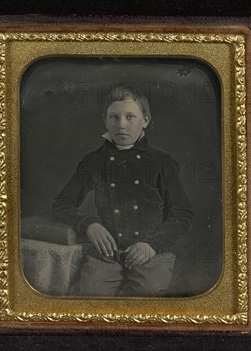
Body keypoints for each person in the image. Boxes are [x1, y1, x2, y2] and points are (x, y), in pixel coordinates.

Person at [52, 85, 194, 297]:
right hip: (107, 253)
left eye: (130, 117)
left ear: (145, 120)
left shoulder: (161, 162)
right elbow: (61, 204)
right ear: (105, 120)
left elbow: (183, 214)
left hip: (153, 252)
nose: (121, 125)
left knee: (148, 294)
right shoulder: (94, 161)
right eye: (114, 117)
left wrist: (152, 244)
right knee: (89, 296)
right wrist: (90, 224)